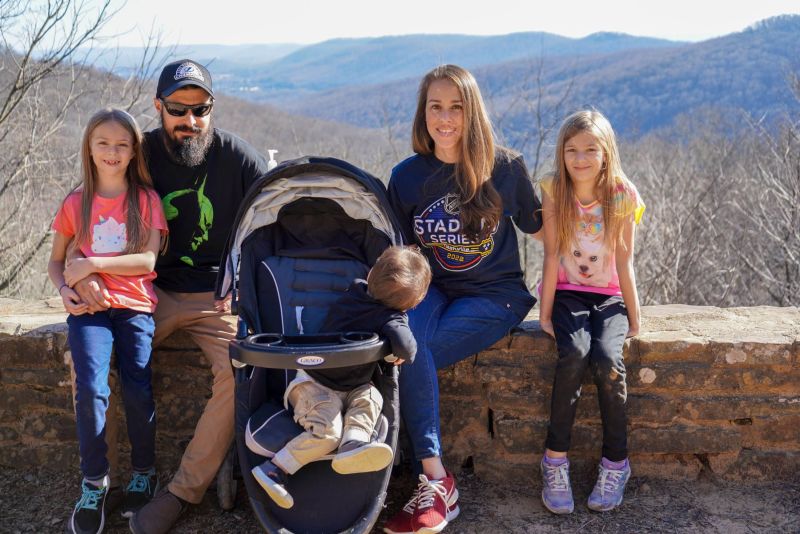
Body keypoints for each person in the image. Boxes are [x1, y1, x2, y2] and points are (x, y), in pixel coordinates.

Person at [70, 59, 270, 533]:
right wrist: (79, 277)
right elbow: (91, 211)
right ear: (159, 107)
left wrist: (245, 286)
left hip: (216, 297)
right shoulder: (138, 153)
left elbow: (270, 226)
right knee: (86, 362)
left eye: (199, 109)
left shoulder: (239, 159)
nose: (190, 121)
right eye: (178, 109)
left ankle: (181, 491)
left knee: (241, 370)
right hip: (143, 291)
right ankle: (102, 482)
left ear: (211, 108)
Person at [385, 64, 542, 534]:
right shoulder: (408, 177)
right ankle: (428, 478)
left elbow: (545, 227)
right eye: (436, 106)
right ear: (424, 113)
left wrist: (605, 201)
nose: (446, 117)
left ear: (471, 112)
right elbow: (399, 252)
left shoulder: (504, 166)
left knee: (419, 352)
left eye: (456, 106)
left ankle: (434, 483)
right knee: (406, 342)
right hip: (434, 289)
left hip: (497, 297)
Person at [49, 108, 167, 534]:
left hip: (135, 306)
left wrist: (94, 263)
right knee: (91, 390)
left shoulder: (145, 200)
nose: (112, 152)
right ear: (89, 148)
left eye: (122, 144)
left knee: (138, 388)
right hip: (89, 312)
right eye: (103, 143)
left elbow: (147, 260)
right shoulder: (75, 202)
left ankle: (143, 471)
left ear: (134, 149)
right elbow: (57, 262)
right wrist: (65, 289)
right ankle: (94, 482)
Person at [251, 245, 432, 509]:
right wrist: (395, 345)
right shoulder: (391, 319)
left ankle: (353, 444)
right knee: (329, 433)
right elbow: (408, 349)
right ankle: (276, 468)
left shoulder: (355, 290)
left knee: (370, 397)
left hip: (353, 385)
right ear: (415, 303)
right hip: (314, 385)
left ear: (371, 273)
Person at [537, 110, 644, 514]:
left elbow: (624, 260)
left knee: (607, 360)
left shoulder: (621, 193)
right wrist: (545, 315)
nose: (580, 158)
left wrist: (635, 317)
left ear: (606, 152)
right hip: (567, 294)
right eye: (571, 150)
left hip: (610, 296)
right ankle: (554, 460)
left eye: (590, 149)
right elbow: (550, 256)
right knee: (575, 355)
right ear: (561, 154)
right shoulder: (553, 190)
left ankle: (616, 462)